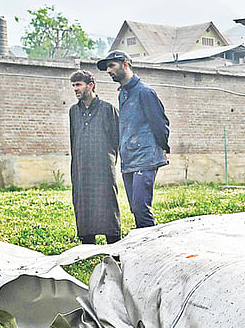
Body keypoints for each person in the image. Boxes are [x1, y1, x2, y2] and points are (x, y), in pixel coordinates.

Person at [97, 50, 169, 229]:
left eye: (111, 66)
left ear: (125, 65)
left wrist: (164, 148)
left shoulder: (145, 92)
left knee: (141, 208)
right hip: (129, 158)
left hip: (145, 157)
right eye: (107, 67)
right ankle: (144, 248)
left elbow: (159, 122)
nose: (108, 70)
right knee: (135, 209)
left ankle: (151, 250)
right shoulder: (122, 93)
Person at [67, 70, 121, 244]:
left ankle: (113, 247)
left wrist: (109, 162)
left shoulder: (108, 109)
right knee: (83, 202)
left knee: (107, 202)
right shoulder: (73, 112)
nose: (75, 89)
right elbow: (73, 139)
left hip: (103, 166)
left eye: (78, 85)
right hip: (81, 166)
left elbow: (116, 140)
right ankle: (87, 246)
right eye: (74, 85)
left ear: (90, 86)